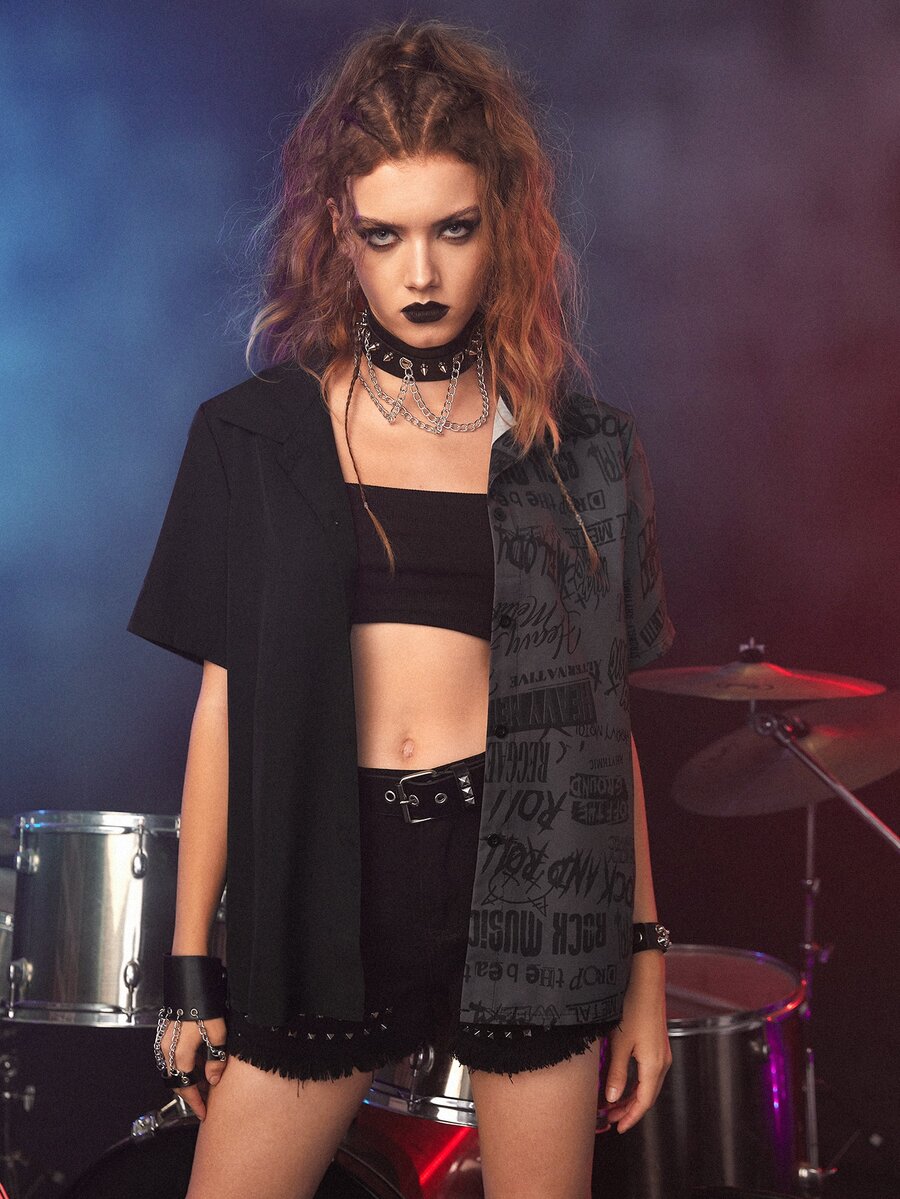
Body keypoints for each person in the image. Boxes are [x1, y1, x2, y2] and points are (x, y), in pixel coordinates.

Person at [127, 17, 675, 1199]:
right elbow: (224, 708)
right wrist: (189, 962)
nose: (420, 274)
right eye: (385, 235)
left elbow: (603, 727)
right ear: (341, 232)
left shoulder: (582, 451)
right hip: (326, 876)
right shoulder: (253, 438)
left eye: (452, 229)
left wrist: (644, 964)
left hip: (530, 877)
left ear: (503, 224)